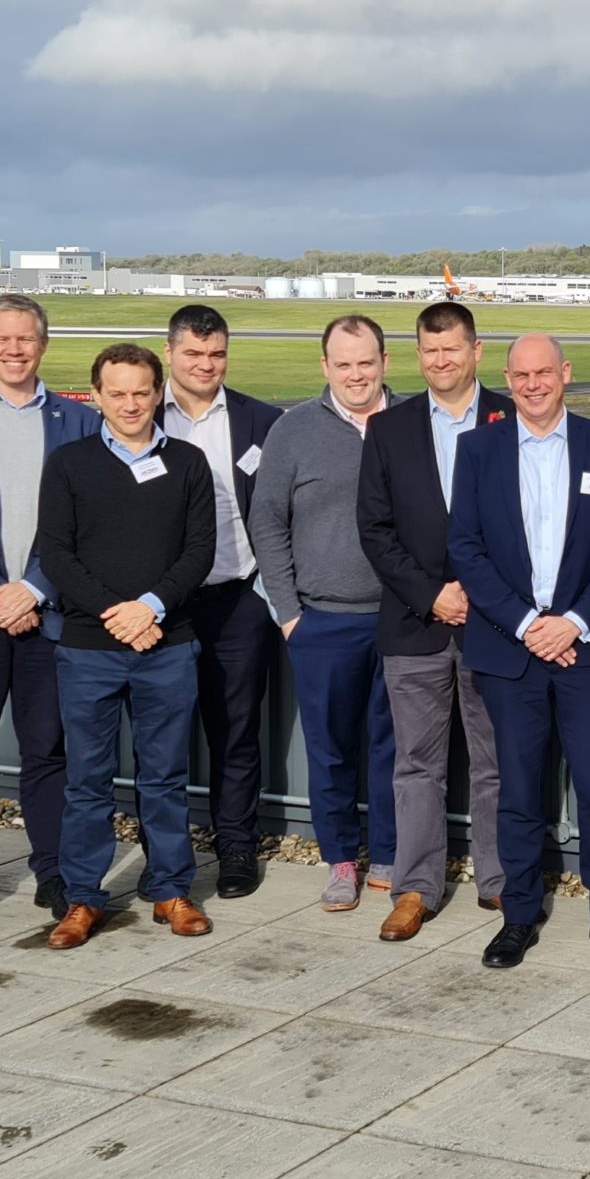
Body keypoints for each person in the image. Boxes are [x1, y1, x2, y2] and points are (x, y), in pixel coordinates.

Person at [448, 334, 590, 968]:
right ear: (507, 378)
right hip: (511, 650)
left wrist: (575, 621)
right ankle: (518, 916)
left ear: (566, 374)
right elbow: (466, 550)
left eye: (545, 373)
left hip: (587, 649)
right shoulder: (477, 450)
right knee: (519, 792)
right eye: (521, 375)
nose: (533, 384)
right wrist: (530, 623)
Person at [35, 343, 218, 948]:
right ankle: (84, 898)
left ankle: (171, 889)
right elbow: (57, 553)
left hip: (168, 642)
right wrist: (117, 615)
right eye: (118, 393)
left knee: (165, 775)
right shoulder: (68, 464)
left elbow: (199, 552)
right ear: (98, 396)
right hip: (90, 647)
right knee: (87, 780)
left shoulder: (189, 463)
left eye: (142, 392)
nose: (132, 403)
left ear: (158, 392)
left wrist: (151, 608)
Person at [0, 294, 101, 927]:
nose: (13, 350)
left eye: (26, 339)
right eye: (2, 338)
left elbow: (85, 528)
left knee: (48, 753)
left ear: (44, 345)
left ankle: (53, 873)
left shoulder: (79, 424)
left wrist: (31, 589)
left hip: (48, 616)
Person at [357, 301, 508, 941]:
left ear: (476, 351)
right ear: (417, 356)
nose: (441, 361)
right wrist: (431, 594)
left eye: (452, 349)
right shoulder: (388, 428)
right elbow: (375, 528)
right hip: (415, 623)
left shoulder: (511, 416)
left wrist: (482, 595)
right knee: (416, 763)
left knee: (495, 759)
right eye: (429, 350)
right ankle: (417, 887)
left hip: (494, 623)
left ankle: (502, 880)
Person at [252, 315, 402, 914]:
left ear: (385, 362)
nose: (356, 374)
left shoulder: (411, 423)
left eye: (365, 362)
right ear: (325, 368)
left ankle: (390, 854)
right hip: (322, 621)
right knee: (331, 749)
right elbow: (266, 518)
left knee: (398, 749)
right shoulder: (294, 431)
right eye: (343, 364)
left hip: (401, 618)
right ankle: (341, 859)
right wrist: (288, 612)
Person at [161, 304, 282, 899]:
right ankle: (167, 858)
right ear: (170, 355)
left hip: (239, 598)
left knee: (236, 731)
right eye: (193, 354)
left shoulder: (263, 420)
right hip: (162, 606)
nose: (206, 365)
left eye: (216, 355)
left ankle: (235, 846)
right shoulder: (137, 416)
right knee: (165, 734)